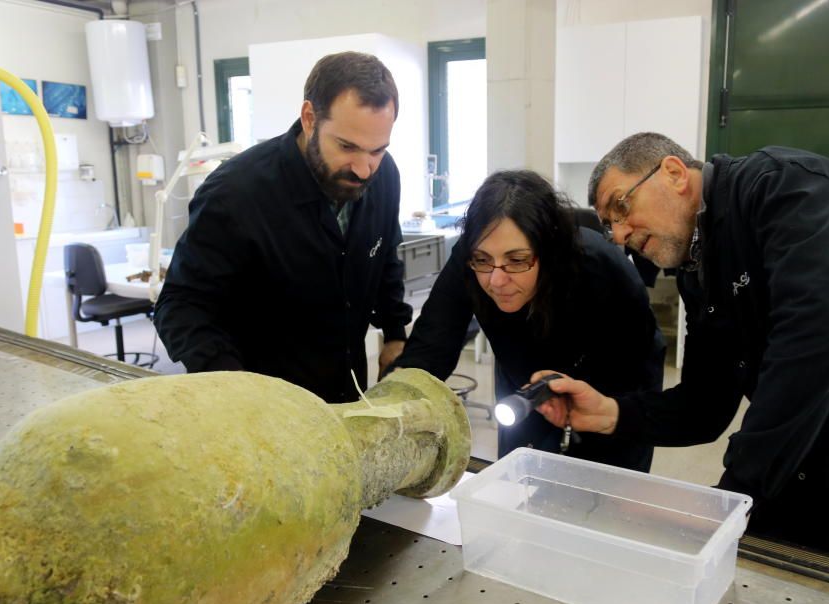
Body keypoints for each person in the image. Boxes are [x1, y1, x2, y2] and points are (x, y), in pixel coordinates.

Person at [532, 132, 829, 571]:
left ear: (675, 173)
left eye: (621, 207)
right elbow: (704, 404)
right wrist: (608, 413)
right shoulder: (699, 271)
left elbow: (811, 349)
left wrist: (734, 494)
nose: (618, 235)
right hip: (811, 456)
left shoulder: (789, 191)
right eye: (607, 224)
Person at [155, 52, 412, 403]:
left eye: (377, 150)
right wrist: (236, 387)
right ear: (309, 118)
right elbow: (180, 304)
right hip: (263, 407)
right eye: (347, 146)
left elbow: (384, 260)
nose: (364, 169)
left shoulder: (384, 177)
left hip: (346, 396)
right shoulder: (235, 195)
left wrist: (396, 332)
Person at [390, 170, 665, 472]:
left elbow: (638, 376)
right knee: (520, 479)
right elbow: (433, 341)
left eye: (517, 260)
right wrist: (392, 406)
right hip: (522, 389)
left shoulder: (602, 270)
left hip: (607, 394)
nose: (496, 280)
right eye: (483, 260)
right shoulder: (473, 255)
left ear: (548, 251)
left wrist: (610, 416)